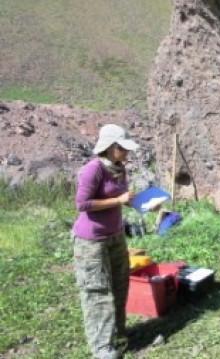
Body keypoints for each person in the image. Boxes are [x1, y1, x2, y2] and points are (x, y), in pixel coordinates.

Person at [72, 124, 139, 359]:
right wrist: (118, 200)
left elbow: (123, 198)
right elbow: (83, 204)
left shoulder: (120, 169)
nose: (127, 153)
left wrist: (143, 202)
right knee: (98, 292)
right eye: (123, 148)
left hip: (116, 235)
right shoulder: (93, 170)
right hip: (92, 241)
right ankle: (102, 347)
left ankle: (118, 333)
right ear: (110, 148)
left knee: (120, 285)